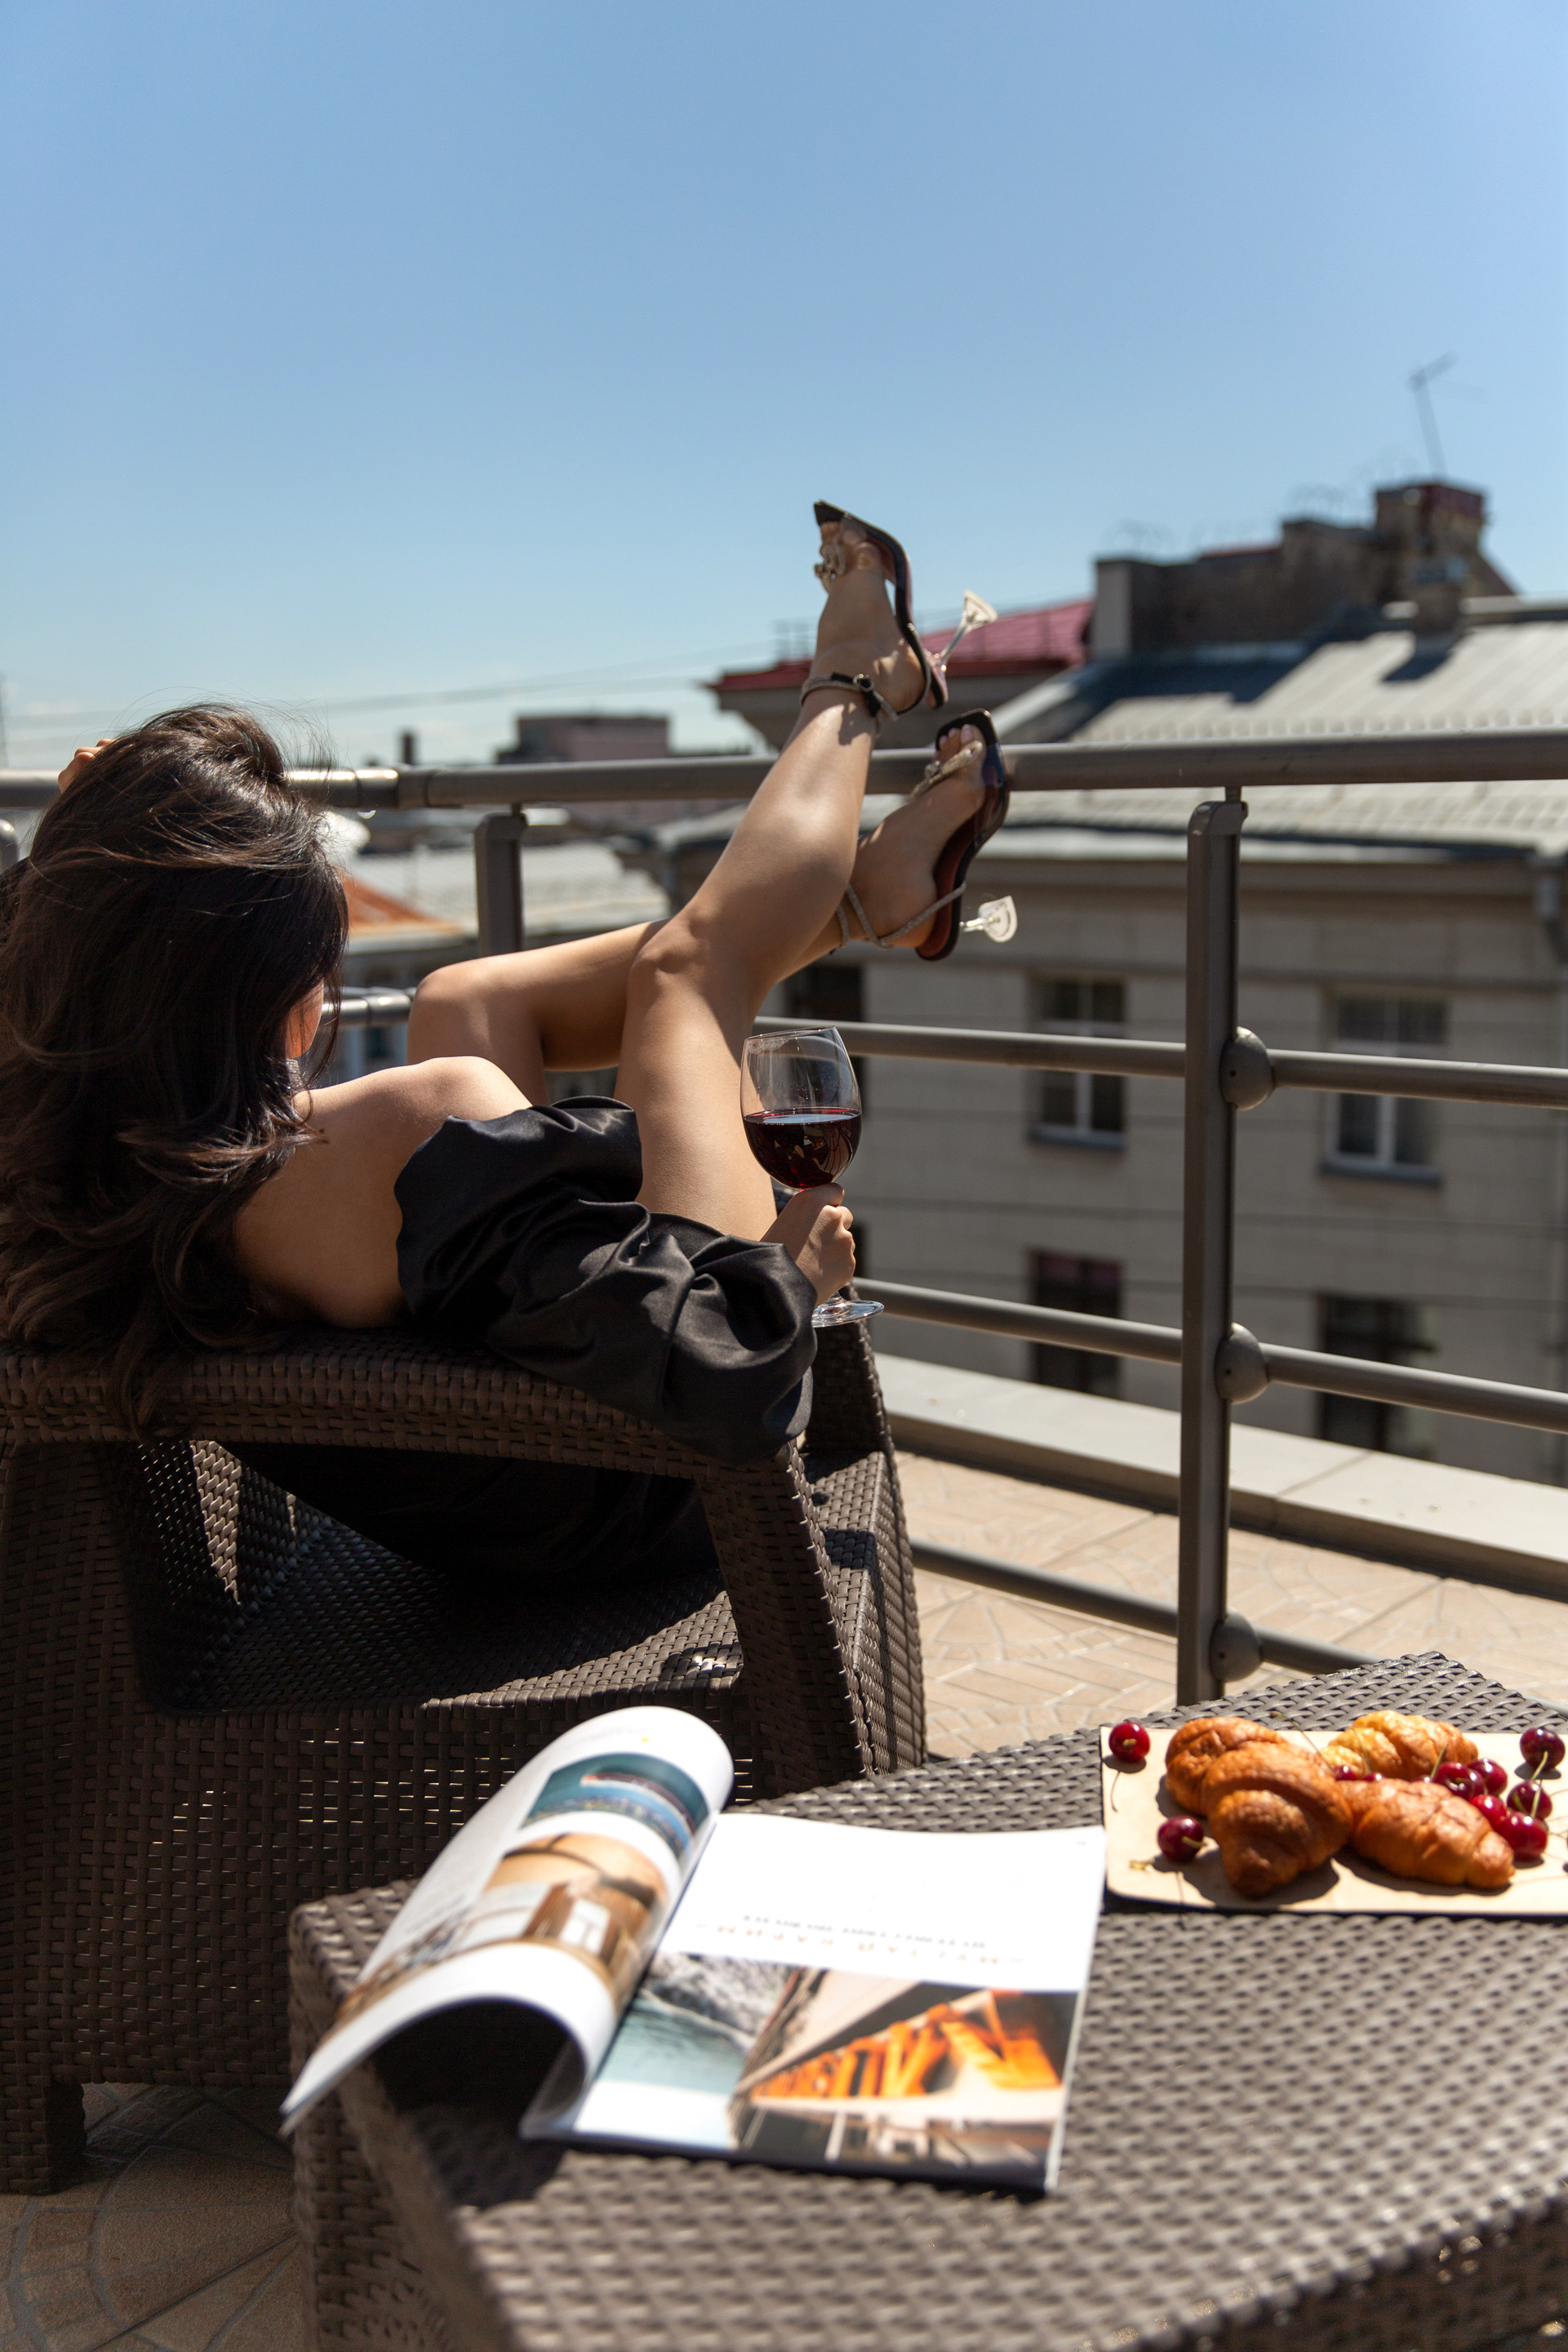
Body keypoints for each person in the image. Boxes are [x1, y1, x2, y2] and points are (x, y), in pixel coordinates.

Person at [0, 507, 1009, 1591]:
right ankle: (853, 680)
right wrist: (791, 1279)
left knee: (465, 995)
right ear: (267, 1003)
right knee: (690, 969)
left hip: (488, 1496)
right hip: (656, 1485)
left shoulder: (65, 1162)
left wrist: (88, 849)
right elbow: (723, 1355)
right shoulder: (406, 1133)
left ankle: (866, 894)